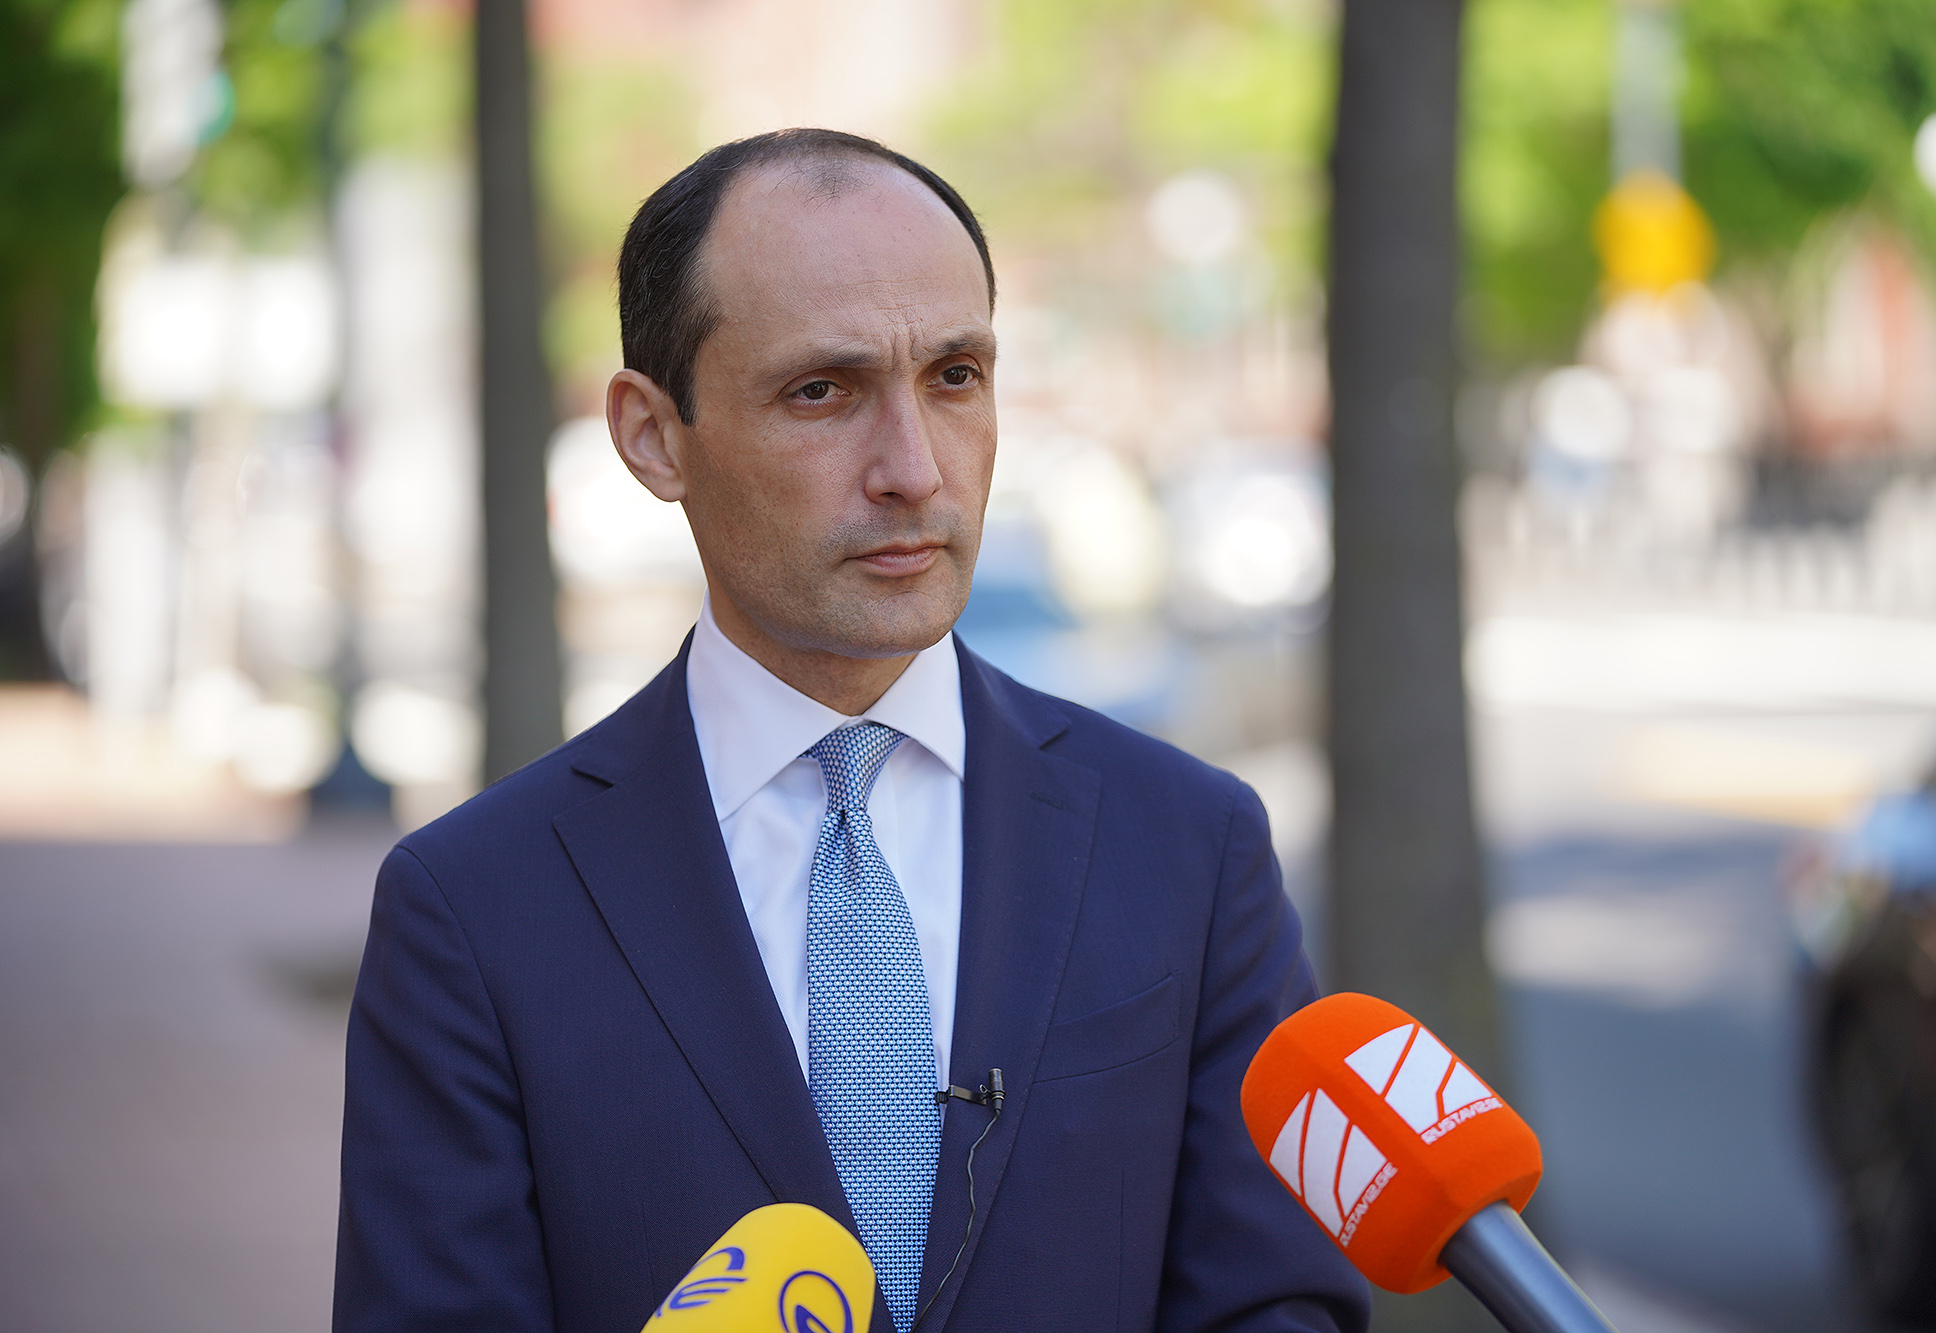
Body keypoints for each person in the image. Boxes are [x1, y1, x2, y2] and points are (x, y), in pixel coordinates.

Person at [333, 128, 1366, 1333]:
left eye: (955, 377)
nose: (913, 470)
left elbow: (1275, 1303)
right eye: (821, 392)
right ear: (652, 435)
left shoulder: (1188, 846)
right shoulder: (472, 908)